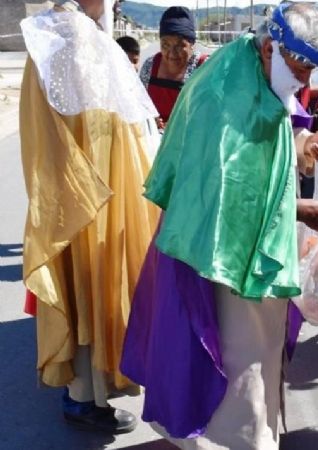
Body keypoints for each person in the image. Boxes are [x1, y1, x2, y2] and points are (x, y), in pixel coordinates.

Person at [120, 4, 318, 448]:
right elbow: (224, 192)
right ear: (269, 48)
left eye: (311, 72)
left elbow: (271, 135)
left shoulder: (259, 72)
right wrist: (299, 209)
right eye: (300, 68)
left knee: (254, 364)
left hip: (249, 245)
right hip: (220, 258)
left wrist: (304, 144)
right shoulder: (223, 96)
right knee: (233, 364)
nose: (304, 82)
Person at [18, 0, 159, 434]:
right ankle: (84, 398)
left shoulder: (52, 33)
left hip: (75, 191)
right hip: (94, 193)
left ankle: (81, 392)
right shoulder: (74, 35)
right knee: (93, 288)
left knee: (83, 292)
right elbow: (100, 126)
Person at [139, 7, 208, 129]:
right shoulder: (150, 65)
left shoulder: (204, 68)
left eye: (180, 45)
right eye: (165, 45)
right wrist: (150, 120)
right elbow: (139, 105)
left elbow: (212, 113)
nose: (172, 53)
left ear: (192, 44)